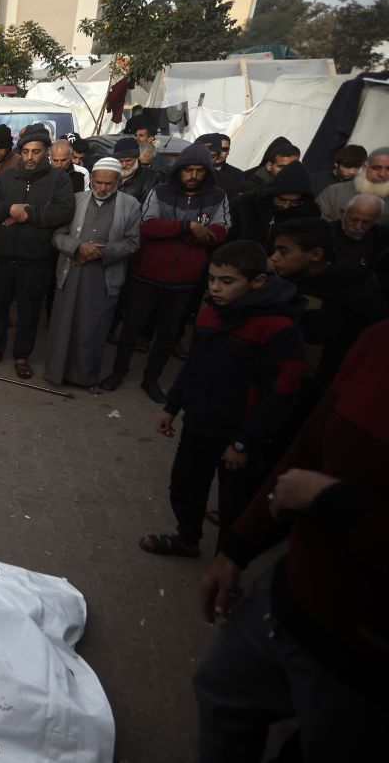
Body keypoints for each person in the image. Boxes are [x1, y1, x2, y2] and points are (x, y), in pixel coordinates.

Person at [194, 319, 388, 762]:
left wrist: (335, 500)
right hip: (289, 598)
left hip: (367, 657)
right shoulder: (378, 341)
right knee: (222, 692)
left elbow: (319, 489)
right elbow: (308, 449)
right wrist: (237, 546)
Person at [143, 240, 304, 559]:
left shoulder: (280, 328)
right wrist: (172, 406)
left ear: (257, 282)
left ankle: (225, 570)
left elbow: (282, 396)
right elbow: (193, 366)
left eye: (227, 282)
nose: (216, 288)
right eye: (212, 279)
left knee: (234, 506)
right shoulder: (209, 314)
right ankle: (187, 539)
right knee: (185, 486)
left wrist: (245, 442)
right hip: (199, 424)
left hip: (239, 437)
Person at [102, 144, 230, 402]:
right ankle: (118, 371)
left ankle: (151, 379)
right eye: (187, 170)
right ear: (179, 171)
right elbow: (148, 226)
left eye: (198, 171)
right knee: (132, 328)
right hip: (147, 274)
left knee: (167, 334)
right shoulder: (160, 192)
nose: (193, 176)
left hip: (185, 280)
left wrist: (193, 236)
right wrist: (187, 228)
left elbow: (222, 230)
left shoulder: (217, 197)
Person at [0, 129, 75, 379]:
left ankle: (22, 355)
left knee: (29, 311)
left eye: (36, 152)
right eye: (26, 152)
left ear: (47, 153)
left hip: (34, 259)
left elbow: (63, 212)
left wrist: (27, 213)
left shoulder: (58, 179)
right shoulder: (6, 177)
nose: (30, 157)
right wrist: (10, 208)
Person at [44, 158, 141, 391]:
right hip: (72, 273)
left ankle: (86, 377)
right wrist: (78, 246)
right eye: (98, 182)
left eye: (108, 183)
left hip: (102, 277)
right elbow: (57, 235)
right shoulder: (76, 200)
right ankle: (57, 373)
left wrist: (99, 252)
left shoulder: (131, 205)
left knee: (93, 329)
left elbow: (132, 243)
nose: (102, 188)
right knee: (63, 324)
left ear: (118, 181)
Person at [267, 218, 385, 405]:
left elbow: (308, 372)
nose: (274, 258)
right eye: (275, 250)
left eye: (283, 251)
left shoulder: (324, 308)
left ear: (315, 254)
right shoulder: (301, 281)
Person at [228, 161, 321, 246]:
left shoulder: (309, 212)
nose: (286, 205)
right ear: (273, 193)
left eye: (295, 202)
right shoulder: (243, 204)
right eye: (282, 200)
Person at [315, 145, 389, 226]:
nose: (352, 172)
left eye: (356, 167)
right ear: (336, 163)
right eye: (376, 167)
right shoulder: (333, 190)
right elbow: (316, 217)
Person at [329, 193, 389, 275]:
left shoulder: (382, 238)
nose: (358, 227)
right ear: (343, 213)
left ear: (375, 220)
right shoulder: (325, 233)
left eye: (365, 222)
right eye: (354, 220)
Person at [114, 136, 160, 202]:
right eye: (120, 161)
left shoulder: (151, 177)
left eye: (128, 161)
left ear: (136, 158)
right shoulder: (108, 173)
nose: (124, 165)